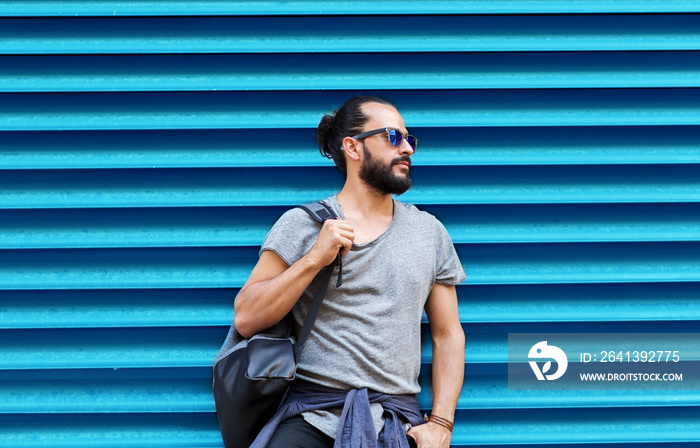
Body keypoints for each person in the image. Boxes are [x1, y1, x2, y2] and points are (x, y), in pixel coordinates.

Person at [233, 96, 466, 448]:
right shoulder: (303, 224)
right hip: (312, 416)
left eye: (409, 139)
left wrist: (441, 424)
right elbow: (247, 318)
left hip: (395, 422)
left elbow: (448, 335)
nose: (407, 149)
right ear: (352, 147)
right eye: (392, 137)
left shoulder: (429, 232)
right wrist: (313, 259)